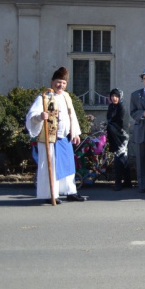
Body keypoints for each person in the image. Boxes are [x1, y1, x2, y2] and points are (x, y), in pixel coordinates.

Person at [25, 67, 86, 204]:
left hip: (65, 138)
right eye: (59, 82)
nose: (61, 86)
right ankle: (50, 194)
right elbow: (31, 116)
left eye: (64, 83)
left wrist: (75, 132)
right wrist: (40, 116)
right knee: (51, 166)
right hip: (50, 139)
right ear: (52, 82)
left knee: (69, 166)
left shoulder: (66, 97)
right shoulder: (44, 97)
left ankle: (71, 192)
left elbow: (72, 116)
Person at [106, 88, 131, 191]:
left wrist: (110, 125)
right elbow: (109, 119)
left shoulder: (122, 107)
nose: (114, 98)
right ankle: (127, 181)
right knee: (123, 159)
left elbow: (122, 123)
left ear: (120, 97)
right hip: (114, 136)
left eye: (116, 96)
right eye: (112, 96)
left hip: (122, 137)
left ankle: (118, 183)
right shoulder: (111, 107)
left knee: (118, 158)